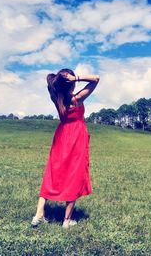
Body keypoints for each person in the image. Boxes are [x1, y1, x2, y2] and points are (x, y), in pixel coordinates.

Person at [31, 68, 100, 229]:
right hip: (76, 137)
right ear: (70, 83)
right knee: (74, 175)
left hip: (62, 136)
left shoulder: (56, 98)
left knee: (52, 173)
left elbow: (52, 86)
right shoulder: (77, 99)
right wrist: (77, 78)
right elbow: (96, 79)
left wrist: (63, 81)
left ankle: (39, 214)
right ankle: (66, 221)